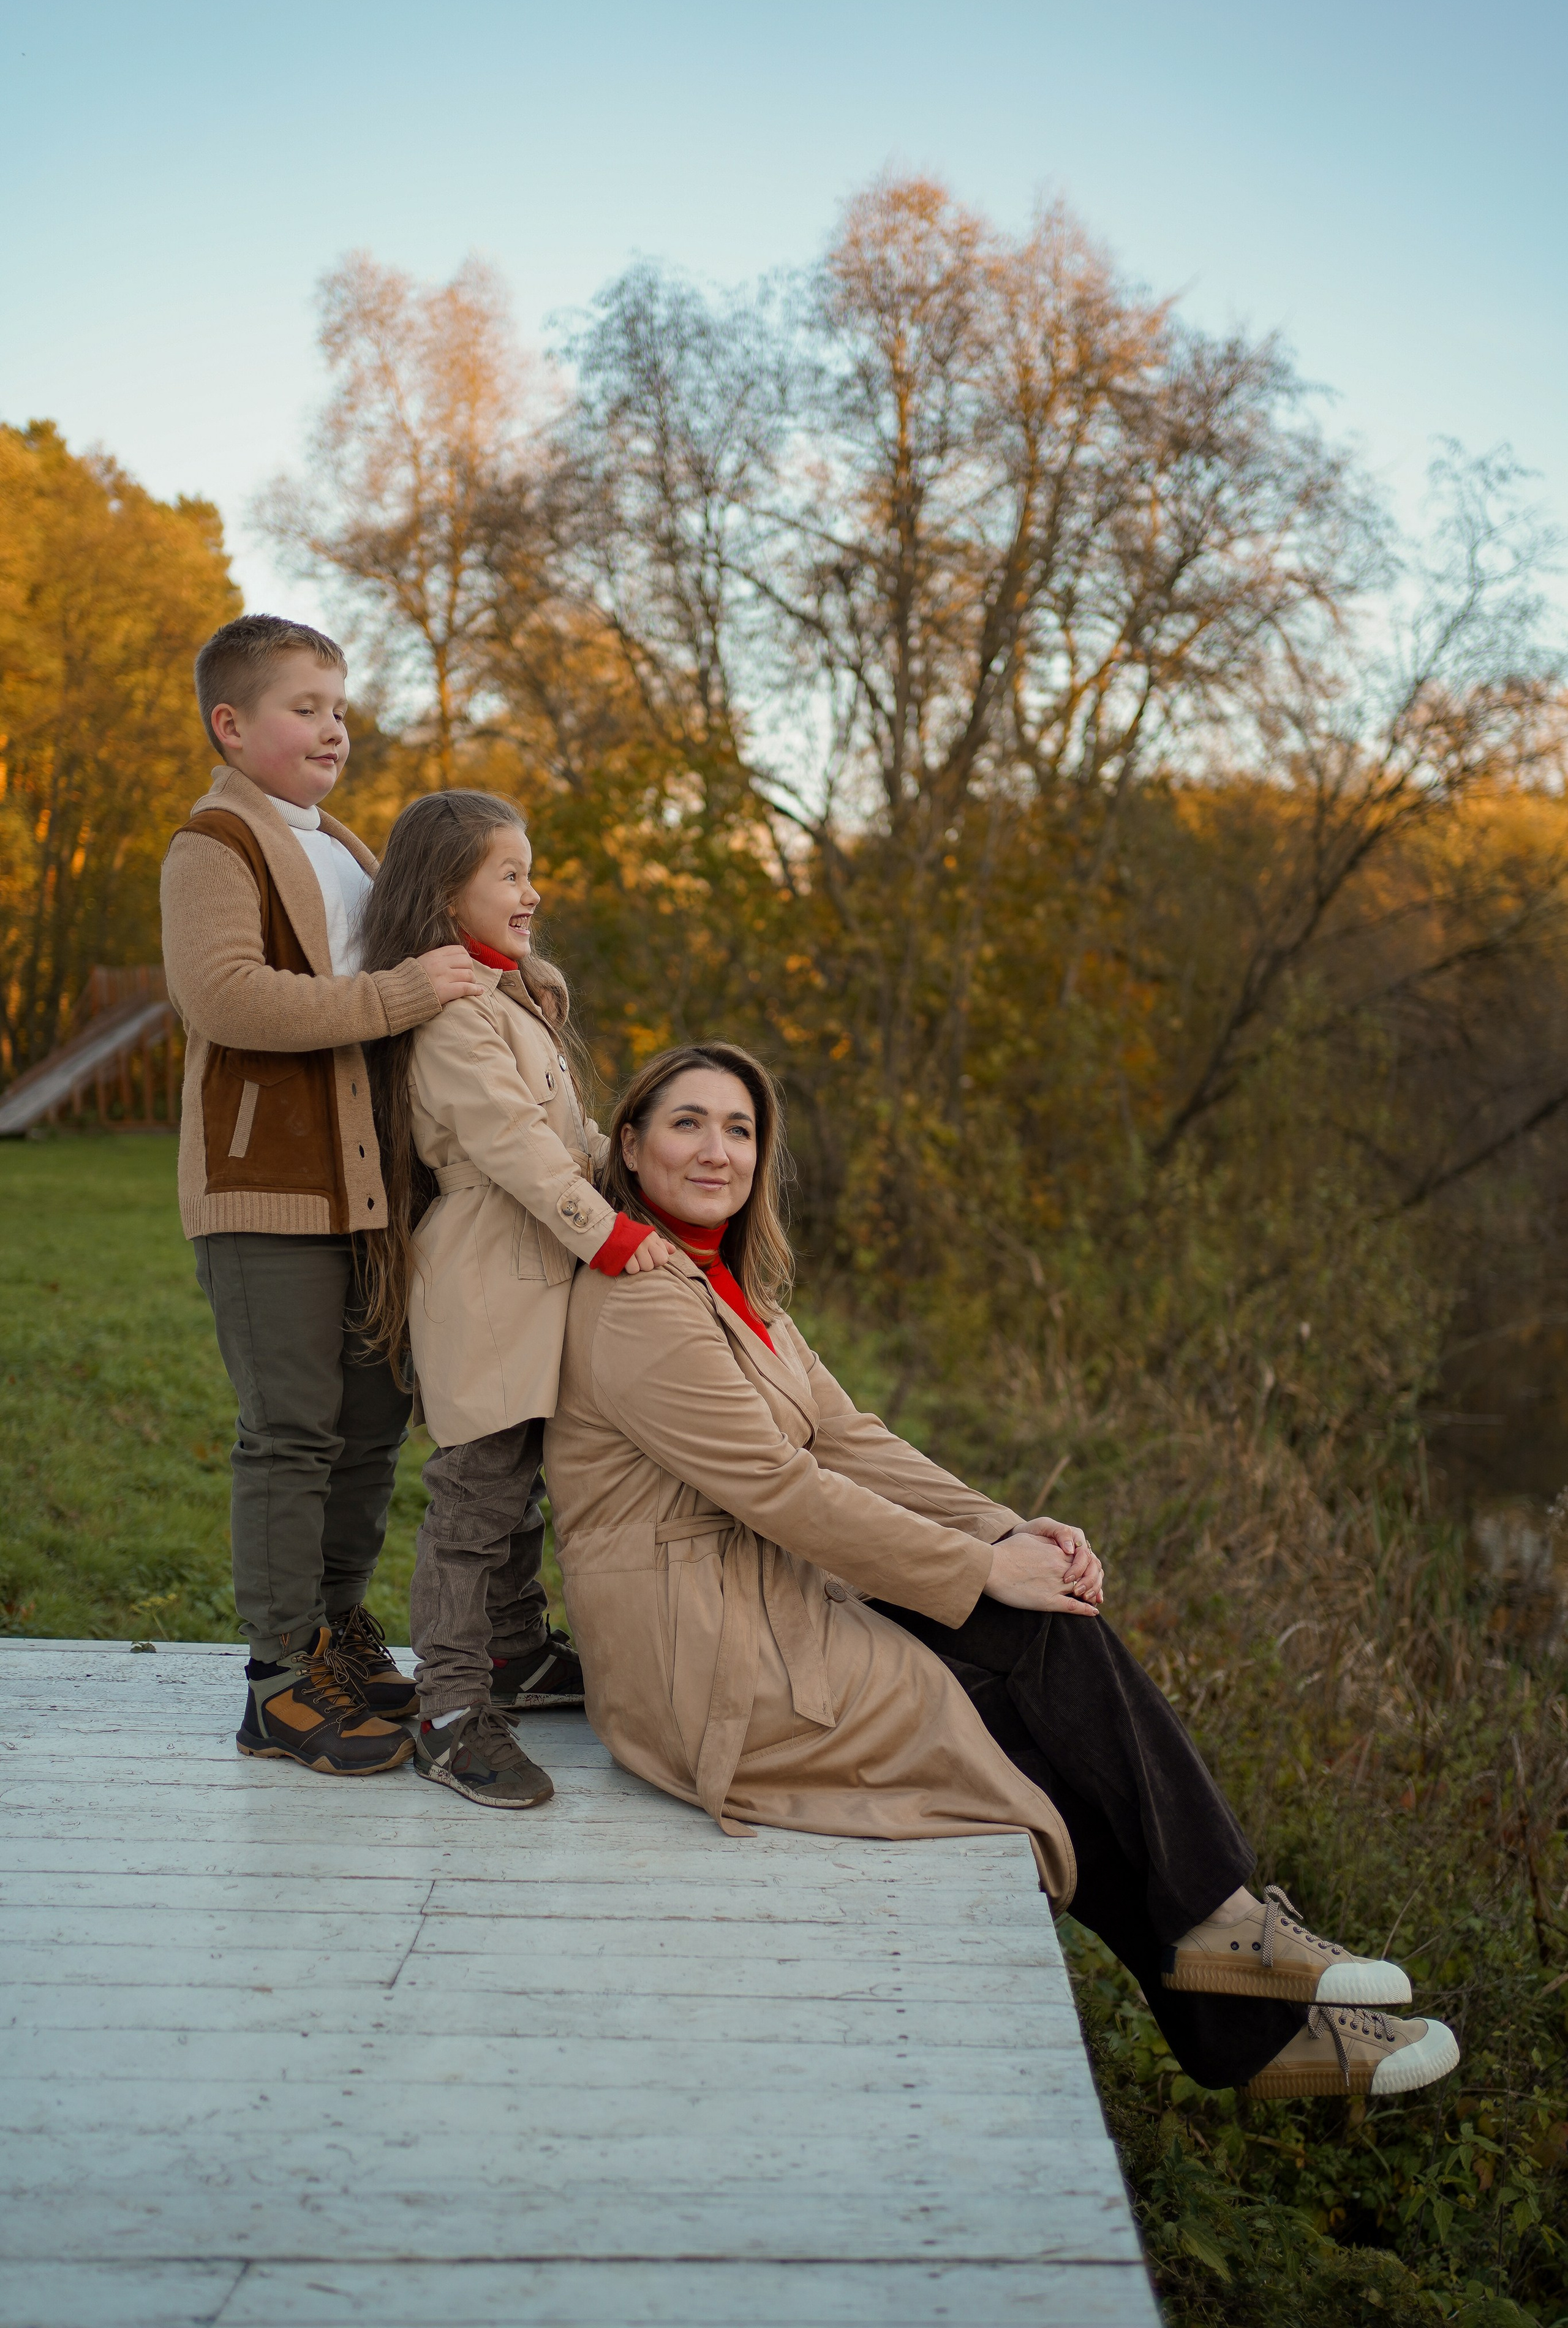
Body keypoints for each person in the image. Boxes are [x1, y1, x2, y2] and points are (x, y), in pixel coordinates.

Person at [542, 1041, 1462, 2100]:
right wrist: (983, 1569)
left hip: (763, 1607)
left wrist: (1014, 1530)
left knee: (1051, 1651)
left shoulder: (728, 1291)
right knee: (1033, 1730)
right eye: (687, 1123)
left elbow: (853, 1440)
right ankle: (1236, 1984)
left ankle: (1232, 1960)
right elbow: (778, 1490)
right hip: (702, 1667)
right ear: (629, 1143)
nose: (717, 1150)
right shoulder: (641, 1302)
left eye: (740, 1129)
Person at [162, 613, 482, 1775]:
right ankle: (276, 1681)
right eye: (306, 707)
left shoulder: (345, 847)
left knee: (367, 1429)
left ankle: (342, 1635)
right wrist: (400, 994)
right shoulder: (216, 847)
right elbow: (229, 1000)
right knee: (292, 1434)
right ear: (233, 725)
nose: (333, 728)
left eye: (341, 708)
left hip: (376, 1195)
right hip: (267, 1191)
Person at [358, 789, 673, 1810]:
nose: (532, 893)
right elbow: (515, 1147)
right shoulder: (453, 1016)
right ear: (447, 896)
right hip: (489, 1277)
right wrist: (613, 1234)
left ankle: (513, 1652)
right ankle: (450, 1709)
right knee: (476, 1501)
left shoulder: (508, 997)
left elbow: (568, 1138)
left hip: (538, 1273)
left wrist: (640, 1188)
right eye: (511, 875)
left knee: (521, 1478)